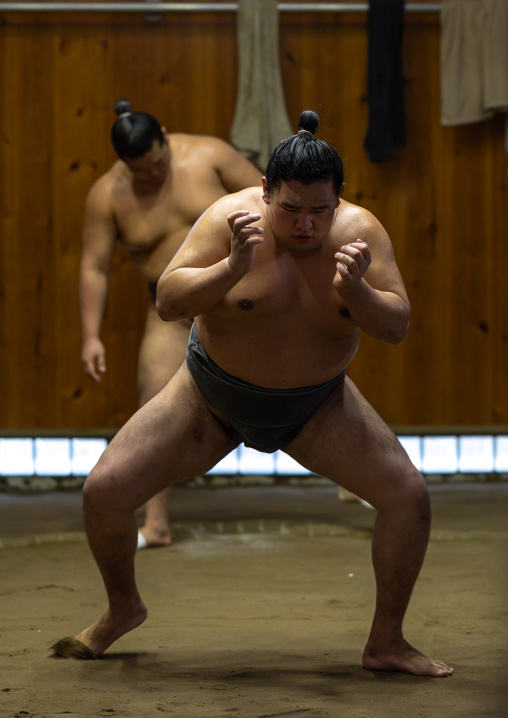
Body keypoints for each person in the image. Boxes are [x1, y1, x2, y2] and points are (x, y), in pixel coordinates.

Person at [60, 110, 453, 676]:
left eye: (320, 211)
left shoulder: (360, 235)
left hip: (317, 404)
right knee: (103, 490)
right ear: (265, 191)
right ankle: (123, 608)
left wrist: (358, 293)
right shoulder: (229, 219)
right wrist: (230, 266)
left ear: (338, 200)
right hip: (209, 396)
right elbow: (169, 302)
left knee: (408, 498)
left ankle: (386, 642)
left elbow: (396, 327)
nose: (305, 226)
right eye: (290, 209)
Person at [79, 99, 262, 549]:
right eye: (142, 171)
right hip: (171, 311)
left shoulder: (209, 156)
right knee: (154, 404)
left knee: (306, 377)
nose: (155, 175)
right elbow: (94, 267)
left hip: (239, 298)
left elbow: (271, 197)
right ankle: (155, 522)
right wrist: (89, 336)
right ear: (124, 163)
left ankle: (356, 480)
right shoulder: (108, 195)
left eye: (159, 162)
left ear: (165, 134)